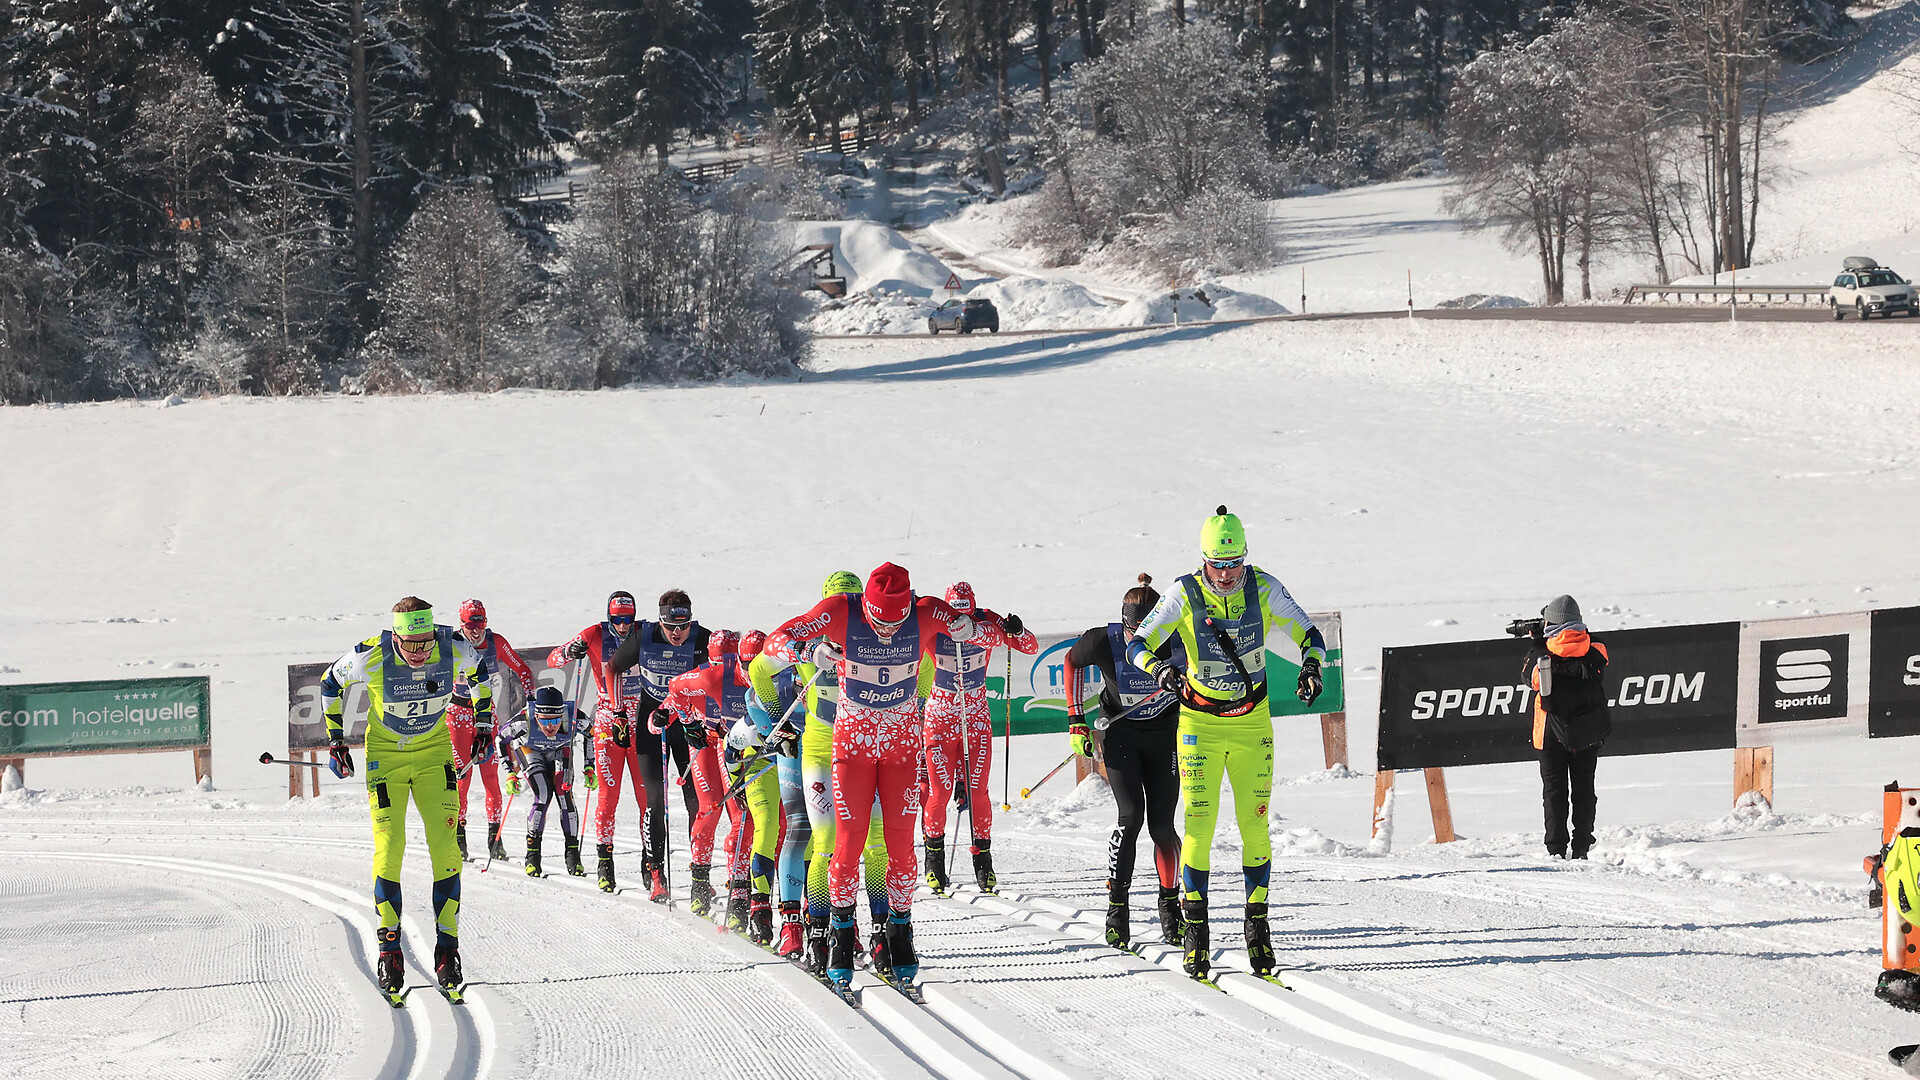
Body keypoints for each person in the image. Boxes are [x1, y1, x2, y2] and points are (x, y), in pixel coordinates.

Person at [1127, 507, 1326, 980]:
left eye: (1235, 563)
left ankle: (1257, 929)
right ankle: (1196, 935)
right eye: (1219, 565)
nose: (1228, 575)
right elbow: (1138, 642)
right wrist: (1161, 669)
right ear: (1204, 561)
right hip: (1200, 724)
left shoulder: (1264, 586)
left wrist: (1311, 666)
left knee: (1255, 824)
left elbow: (1310, 633)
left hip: (1252, 722)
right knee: (1199, 824)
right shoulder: (1184, 592)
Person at [760, 562, 974, 991]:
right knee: (838, 842)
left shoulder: (925, 611)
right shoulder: (839, 611)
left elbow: (966, 639)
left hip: (898, 748)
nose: (888, 632)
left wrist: (973, 626)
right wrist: (802, 662)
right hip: (842, 749)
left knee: (896, 845)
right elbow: (770, 651)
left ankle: (896, 931)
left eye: (896, 621)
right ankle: (835, 934)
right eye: (879, 621)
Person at [320, 597, 494, 998]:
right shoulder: (371, 655)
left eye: (425, 644)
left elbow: (481, 674)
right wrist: (335, 741)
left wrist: (484, 725)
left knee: (446, 849)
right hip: (386, 758)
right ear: (395, 635)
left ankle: (448, 949)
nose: (418, 653)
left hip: (434, 754)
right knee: (390, 845)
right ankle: (389, 950)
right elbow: (330, 683)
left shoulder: (453, 647)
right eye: (409, 644)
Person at [750, 570, 891, 972]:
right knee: (817, 835)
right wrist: (778, 724)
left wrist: (912, 708)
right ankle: (810, 930)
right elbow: (759, 673)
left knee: (873, 840)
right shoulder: (811, 637)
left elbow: (927, 661)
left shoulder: (878, 637)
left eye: (855, 603)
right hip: (815, 747)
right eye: (838, 606)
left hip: (865, 746)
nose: (847, 615)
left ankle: (874, 932)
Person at [1064, 573, 1186, 949]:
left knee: (1162, 827)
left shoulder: (1182, 637)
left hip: (1165, 735)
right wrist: (1075, 720)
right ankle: (1117, 908)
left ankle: (1170, 909)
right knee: (1130, 817)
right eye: (1134, 630)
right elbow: (1071, 662)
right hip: (1121, 734)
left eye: (1148, 631)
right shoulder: (1105, 640)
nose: (1139, 640)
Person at [921, 581, 1035, 895]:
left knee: (978, 791)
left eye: (967, 615)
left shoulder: (986, 618)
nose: (959, 621)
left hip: (976, 718)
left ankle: (983, 859)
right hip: (940, 718)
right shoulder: (933, 621)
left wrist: (1017, 630)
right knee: (941, 791)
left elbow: (1029, 646)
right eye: (954, 616)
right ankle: (934, 858)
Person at [606, 589, 712, 900]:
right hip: (651, 725)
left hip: (688, 724)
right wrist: (618, 712)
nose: (678, 633)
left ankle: (699, 874)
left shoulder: (702, 639)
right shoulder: (644, 636)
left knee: (697, 801)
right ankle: (655, 873)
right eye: (671, 627)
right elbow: (612, 668)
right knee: (655, 801)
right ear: (661, 622)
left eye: (684, 626)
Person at [663, 629, 765, 925]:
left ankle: (739, 890)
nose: (725, 666)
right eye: (716, 660)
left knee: (741, 815)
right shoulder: (709, 676)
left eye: (730, 661)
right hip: (709, 745)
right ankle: (700, 883)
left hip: (732, 745)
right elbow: (675, 689)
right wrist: (679, 719)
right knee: (710, 809)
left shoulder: (756, 676)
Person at [548, 591, 644, 893]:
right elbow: (554, 658)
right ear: (608, 617)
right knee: (607, 796)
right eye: (617, 620)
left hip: (640, 718)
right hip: (607, 720)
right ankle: (605, 861)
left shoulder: (645, 632)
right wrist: (571, 650)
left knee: (648, 798)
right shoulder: (594, 633)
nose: (623, 626)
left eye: (628, 620)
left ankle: (650, 864)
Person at [1523, 595, 1610, 860]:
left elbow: (1531, 679)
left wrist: (1538, 643)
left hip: (1550, 733)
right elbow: (1592, 650)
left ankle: (1556, 849)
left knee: (1554, 791)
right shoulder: (1597, 650)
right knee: (1585, 788)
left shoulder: (1544, 654)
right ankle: (1582, 846)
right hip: (1588, 730)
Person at [451, 599, 536, 862]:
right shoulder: (451, 644)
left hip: (486, 719)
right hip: (456, 718)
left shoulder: (496, 642)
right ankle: (458, 840)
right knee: (461, 782)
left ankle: (495, 840)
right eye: (469, 625)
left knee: (492, 780)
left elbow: (522, 670)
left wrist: (530, 702)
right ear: (461, 624)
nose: (476, 631)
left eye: (481, 624)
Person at [499, 685, 589, 877]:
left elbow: (592, 734)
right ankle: (533, 855)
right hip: (529, 749)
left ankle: (573, 855)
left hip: (559, 749)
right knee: (543, 795)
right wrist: (510, 772)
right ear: (535, 715)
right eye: (544, 720)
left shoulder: (574, 717)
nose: (549, 726)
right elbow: (501, 739)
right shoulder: (522, 721)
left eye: (555, 720)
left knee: (564, 793)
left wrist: (590, 767)